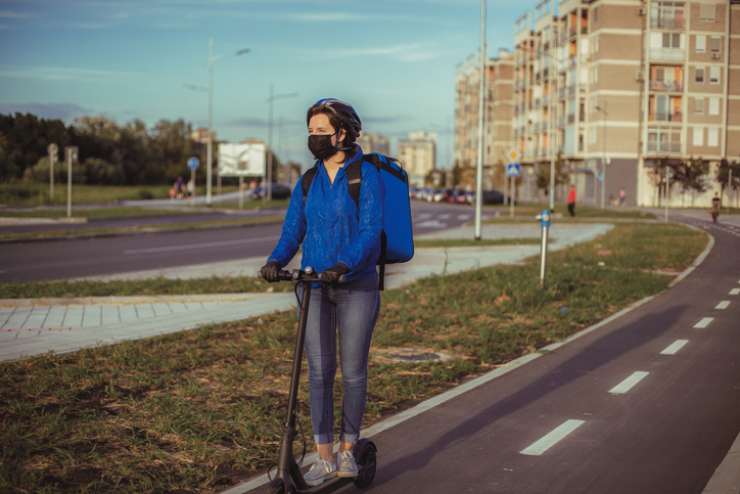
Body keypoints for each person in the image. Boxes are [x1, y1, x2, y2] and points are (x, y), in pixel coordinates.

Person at [260, 98, 382, 486]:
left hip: (355, 285)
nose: (314, 138)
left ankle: (349, 451)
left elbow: (370, 232)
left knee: (353, 372)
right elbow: (292, 230)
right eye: (310, 132)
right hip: (313, 286)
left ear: (341, 133)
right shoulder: (308, 180)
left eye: (320, 132)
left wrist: (344, 264)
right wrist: (275, 261)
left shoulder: (364, 175)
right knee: (319, 370)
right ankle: (324, 455)